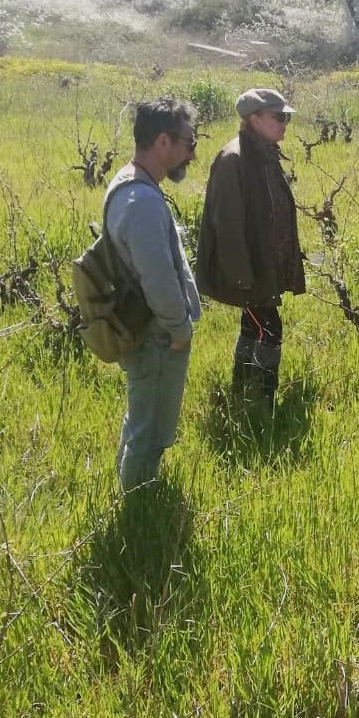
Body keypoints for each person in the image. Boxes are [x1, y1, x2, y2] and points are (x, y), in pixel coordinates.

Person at [106, 98, 202, 492]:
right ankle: (139, 514)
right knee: (150, 433)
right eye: (188, 143)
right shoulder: (142, 201)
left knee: (139, 419)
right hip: (157, 336)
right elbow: (158, 279)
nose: (191, 154)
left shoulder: (130, 184)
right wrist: (179, 330)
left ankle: (130, 497)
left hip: (145, 330)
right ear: (163, 142)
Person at [196, 88, 305, 409]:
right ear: (253, 119)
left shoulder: (263, 152)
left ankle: (241, 388)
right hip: (251, 271)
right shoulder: (235, 158)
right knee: (270, 329)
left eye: (287, 117)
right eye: (279, 117)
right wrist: (243, 277)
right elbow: (227, 225)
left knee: (253, 325)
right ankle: (262, 400)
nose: (285, 123)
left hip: (263, 266)